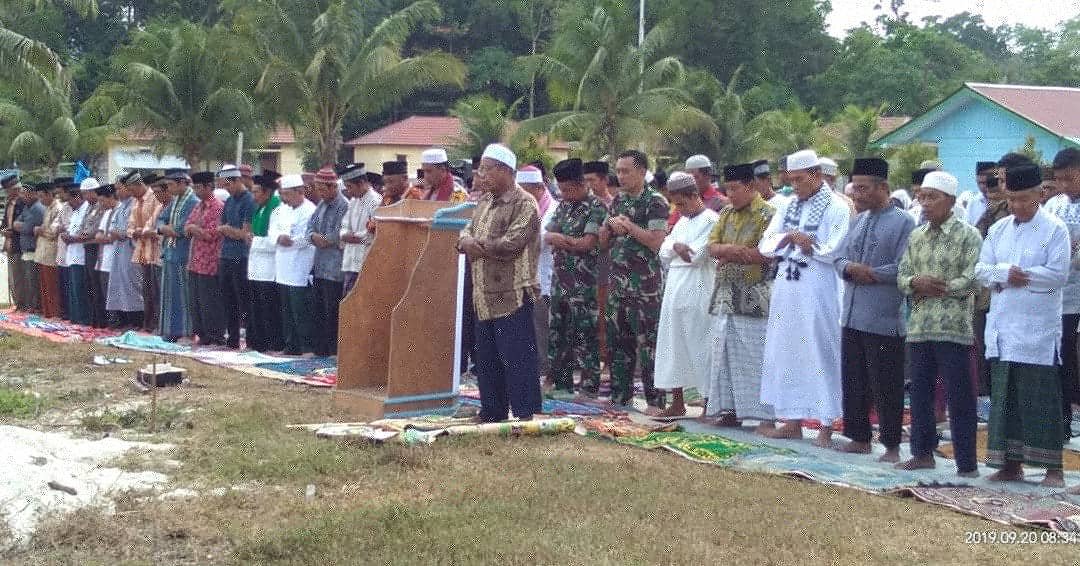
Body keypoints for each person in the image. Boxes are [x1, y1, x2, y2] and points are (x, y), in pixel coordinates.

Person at [976, 164, 1070, 487]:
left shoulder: (1055, 229)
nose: (1017, 205)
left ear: (1039, 195)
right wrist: (1004, 274)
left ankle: (1053, 469)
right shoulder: (999, 229)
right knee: (1006, 398)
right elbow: (981, 269)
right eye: (1012, 199)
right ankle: (1010, 464)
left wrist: (1023, 276)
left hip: (1038, 330)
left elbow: (1059, 274)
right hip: (1004, 326)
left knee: (1041, 398)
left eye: (1024, 199)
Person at [758, 149, 851, 444]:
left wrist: (811, 244)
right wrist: (788, 238)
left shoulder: (837, 207)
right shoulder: (787, 206)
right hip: (787, 288)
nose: (794, 186)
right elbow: (766, 244)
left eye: (799, 180)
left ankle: (825, 424)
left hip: (818, 286)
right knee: (786, 350)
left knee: (820, 350)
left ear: (816, 175)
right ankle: (792, 419)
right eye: (791, 180)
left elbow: (837, 248)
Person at [896, 171, 982, 477]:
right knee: (919, 392)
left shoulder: (969, 235)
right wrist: (915, 282)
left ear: (951, 201)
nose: (925, 204)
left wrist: (941, 287)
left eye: (933, 197)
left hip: (954, 328)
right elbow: (902, 275)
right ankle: (922, 453)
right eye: (922, 197)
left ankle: (966, 462)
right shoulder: (916, 236)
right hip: (919, 326)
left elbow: (973, 277)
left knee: (960, 395)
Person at [834, 158, 915, 463]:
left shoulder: (904, 222)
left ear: (884, 188)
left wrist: (872, 273)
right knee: (853, 379)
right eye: (855, 188)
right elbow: (840, 258)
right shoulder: (859, 219)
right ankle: (859, 437)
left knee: (886, 384)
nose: (857, 194)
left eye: (864, 188)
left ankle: (892, 445)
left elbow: (905, 267)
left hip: (882, 317)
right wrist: (849, 268)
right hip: (853, 314)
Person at [458, 144, 542, 421]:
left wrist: (475, 244)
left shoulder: (525, 203)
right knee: (487, 359)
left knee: (517, 358)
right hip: (482, 293)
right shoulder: (483, 202)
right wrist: (467, 242)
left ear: (505, 171)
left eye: (486, 169)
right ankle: (492, 412)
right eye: (481, 169)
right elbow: (463, 235)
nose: (481, 175)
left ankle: (525, 414)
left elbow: (512, 244)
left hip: (512, 294)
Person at [704, 163, 777, 431]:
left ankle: (764, 415)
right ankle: (728, 410)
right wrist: (736, 251)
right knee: (722, 354)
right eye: (727, 189)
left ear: (751, 186)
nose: (730, 195)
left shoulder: (768, 215)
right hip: (725, 294)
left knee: (755, 355)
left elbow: (765, 254)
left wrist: (730, 252)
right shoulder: (725, 213)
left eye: (734, 189)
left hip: (754, 294)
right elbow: (711, 246)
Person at [598, 150, 669, 408]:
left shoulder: (656, 201)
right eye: (618, 171)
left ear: (641, 172)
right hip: (619, 285)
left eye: (626, 171)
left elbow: (655, 241)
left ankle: (655, 400)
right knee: (619, 344)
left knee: (648, 345)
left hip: (645, 287)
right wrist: (608, 228)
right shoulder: (618, 201)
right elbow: (602, 243)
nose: (621, 176)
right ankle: (620, 397)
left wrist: (629, 227)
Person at [650, 172, 719, 417]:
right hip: (675, 287)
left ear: (694, 196)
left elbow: (697, 255)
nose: (678, 209)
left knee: (702, 345)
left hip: (699, 287)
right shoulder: (680, 221)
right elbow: (664, 250)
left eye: (681, 203)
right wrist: (676, 247)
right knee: (673, 345)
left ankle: (709, 404)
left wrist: (677, 248)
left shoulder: (711, 219)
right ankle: (677, 402)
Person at [544, 158, 608, 398]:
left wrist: (564, 241)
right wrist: (563, 240)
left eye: (568, 189)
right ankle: (561, 383)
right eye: (561, 189)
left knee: (585, 334)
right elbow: (549, 232)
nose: (564, 193)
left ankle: (589, 386)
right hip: (560, 280)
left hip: (584, 283)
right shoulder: (563, 206)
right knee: (558, 332)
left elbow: (587, 243)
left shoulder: (596, 207)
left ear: (582, 184)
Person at [1048, 147, 1080, 442]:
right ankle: (1063, 422)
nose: (1063, 187)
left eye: (1069, 180)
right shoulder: (1055, 207)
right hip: (1066, 297)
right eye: (1059, 180)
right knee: (1064, 356)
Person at [517, 165, 558, 381]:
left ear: (538, 188)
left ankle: (545, 373)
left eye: (524, 190)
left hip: (544, 278)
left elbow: (539, 241)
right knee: (529, 328)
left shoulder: (553, 210)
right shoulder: (525, 207)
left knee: (542, 328)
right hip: (524, 278)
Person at [271, 174, 317, 355]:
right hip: (283, 264)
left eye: (287, 195)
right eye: (282, 194)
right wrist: (278, 237)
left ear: (300, 192)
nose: (285, 199)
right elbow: (272, 229)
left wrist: (290, 240)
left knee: (301, 310)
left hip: (300, 265)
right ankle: (290, 346)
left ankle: (306, 347)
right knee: (286, 309)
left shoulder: (310, 210)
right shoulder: (281, 209)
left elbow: (307, 237)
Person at [308, 167, 349, 356]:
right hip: (320, 266)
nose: (320, 193)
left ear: (333, 187)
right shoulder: (321, 205)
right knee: (318, 310)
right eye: (318, 189)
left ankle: (334, 351)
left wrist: (324, 239)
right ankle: (320, 349)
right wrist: (314, 237)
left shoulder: (344, 206)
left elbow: (338, 234)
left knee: (332, 311)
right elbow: (310, 228)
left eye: (323, 189)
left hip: (335, 268)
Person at [184, 172, 227, 346]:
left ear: (209, 187)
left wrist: (196, 229)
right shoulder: (199, 206)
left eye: (198, 187)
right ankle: (201, 334)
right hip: (195, 260)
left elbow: (212, 234)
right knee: (196, 300)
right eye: (194, 187)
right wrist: (195, 229)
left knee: (210, 300)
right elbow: (187, 227)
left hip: (210, 260)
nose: (195, 190)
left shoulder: (217, 206)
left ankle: (214, 335)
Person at [216, 165, 255, 349]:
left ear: (238, 181)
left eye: (228, 185)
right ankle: (231, 339)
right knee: (227, 299)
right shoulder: (229, 201)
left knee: (243, 300)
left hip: (242, 256)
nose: (227, 189)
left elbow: (245, 234)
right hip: (226, 255)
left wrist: (229, 231)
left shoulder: (249, 201)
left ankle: (248, 339)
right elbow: (221, 227)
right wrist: (229, 231)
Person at [157, 170, 198, 342]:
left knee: (184, 296)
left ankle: (185, 331)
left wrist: (168, 229)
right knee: (169, 295)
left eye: (172, 185)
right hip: (170, 252)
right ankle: (170, 330)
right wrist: (166, 229)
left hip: (183, 253)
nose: (169, 188)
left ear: (182, 183)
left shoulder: (192, 202)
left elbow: (182, 229)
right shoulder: (174, 202)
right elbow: (160, 221)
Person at [246, 172, 284, 353]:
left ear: (267, 192)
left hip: (269, 268)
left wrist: (253, 239)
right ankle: (257, 343)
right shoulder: (260, 208)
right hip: (255, 266)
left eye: (256, 192)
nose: (253, 196)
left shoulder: (275, 207)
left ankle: (271, 344)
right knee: (256, 306)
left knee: (268, 308)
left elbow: (272, 240)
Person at [338, 163, 380, 295]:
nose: (348, 191)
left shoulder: (376, 201)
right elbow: (344, 227)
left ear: (361, 183)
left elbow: (374, 233)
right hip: (350, 262)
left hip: (365, 262)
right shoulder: (353, 201)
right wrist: (345, 235)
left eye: (350, 187)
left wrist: (355, 237)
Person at [129, 172, 163, 332]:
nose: (131, 194)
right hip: (142, 250)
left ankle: (156, 324)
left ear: (139, 185)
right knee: (146, 290)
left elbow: (153, 223)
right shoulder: (135, 202)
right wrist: (135, 231)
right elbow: (130, 227)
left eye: (132, 189)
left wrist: (142, 231)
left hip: (155, 249)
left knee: (156, 290)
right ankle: (147, 324)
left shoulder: (154, 197)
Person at [60, 180, 91, 325]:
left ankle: (83, 319)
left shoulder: (86, 210)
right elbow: (72, 230)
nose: (69, 204)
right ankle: (75, 318)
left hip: (81, 255)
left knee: (80, 289)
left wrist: (71, 238)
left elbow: (85, 234)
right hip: (71, 255)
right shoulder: (76, 211)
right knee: (73, 289)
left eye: (70, 201)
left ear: (77, 197)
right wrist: (66, 235)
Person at [79, 178, 108, 328]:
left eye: (85, 194)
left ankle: (101, 320)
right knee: (90, 284)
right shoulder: (89, 207)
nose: (84, 197)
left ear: (92, 192)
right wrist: (81, 235)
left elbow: (96, 229)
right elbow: (83, 226)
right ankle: (94, 318)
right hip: (87, 248)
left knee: (97, 285)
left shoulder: (101, 207)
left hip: (96, 249)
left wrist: (82, 236)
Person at [12, 183, 44, 313]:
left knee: (34, 281)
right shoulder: (26, 208)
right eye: (22, 194)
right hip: (25, 248)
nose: (23, 197)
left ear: (33, 194)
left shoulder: (38, 209)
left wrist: (23, 227)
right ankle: (30, 305)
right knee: (27, 280)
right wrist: (23, 226)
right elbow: (15, 224)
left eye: (25, 194)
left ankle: (36, 307)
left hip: (34, 249)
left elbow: (30, 228)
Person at [32, 183, 62, 318]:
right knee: (44, 286)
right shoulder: (48, 208)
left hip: (52, 253)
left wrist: (39, 230)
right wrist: (41, 230)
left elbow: (52, 233)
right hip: (43, 252)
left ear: (49, 194)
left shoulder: (58, 208)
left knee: (52, 287)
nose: (40, 200)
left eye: (41, 196)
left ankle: (54, 314)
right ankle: (47, 313)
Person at [92, 184, 119, 327]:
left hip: (115, 259)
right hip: (103, 260)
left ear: (110, 198)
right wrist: (106, 238)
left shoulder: (119, 211)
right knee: (104, 292)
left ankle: (116, 322)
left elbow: (113, 237)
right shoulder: (107, 213)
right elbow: (99, 235)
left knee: (114, 292)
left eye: (102, 200)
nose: (100, 204)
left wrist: (106, 238)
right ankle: (109, 322)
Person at [2, 172, 27, 310]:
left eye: (7, 190)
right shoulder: (8, 204)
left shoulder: (22, 203)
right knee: (12, 277)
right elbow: (4, 223)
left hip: (19, 244)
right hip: (9, 244)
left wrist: (13, 231)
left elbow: (25, 224)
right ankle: (18, 302)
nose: (6, 192)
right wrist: (4, 231)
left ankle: (23, 304)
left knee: (20, 277)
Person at [964, 162, 998, 226]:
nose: (982, 187)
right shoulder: (973, 202)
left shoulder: (1007, 201)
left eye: (985, 183)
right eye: (980, 183)